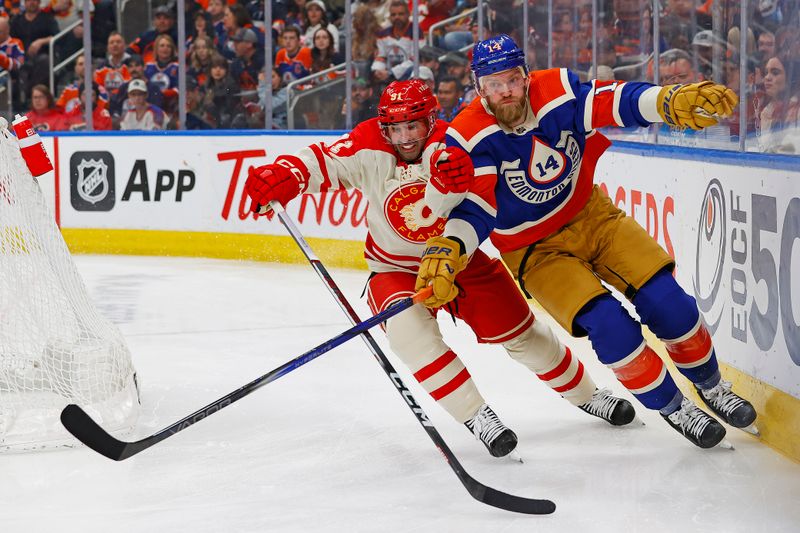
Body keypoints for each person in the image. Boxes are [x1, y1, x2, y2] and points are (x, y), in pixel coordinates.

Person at [243, 79, 637, 459]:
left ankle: (588, 395)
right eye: (395, 129)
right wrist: (285, 174)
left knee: (523, 334)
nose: (405, 138)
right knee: (408, 334)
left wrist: (454, 203)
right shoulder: (367, 143)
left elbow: (477, 198)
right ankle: (477, 416)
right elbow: (320, 161)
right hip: (393, 267)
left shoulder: (456, 142)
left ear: (430, 119)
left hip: (458, 261)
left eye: (412, 125)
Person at [414, 34, 758, 450]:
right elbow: (477, 210)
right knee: (610, 328)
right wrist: (453, 248)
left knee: (670, 302)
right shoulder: (469, 135)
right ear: (478, 87)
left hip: (591, 215)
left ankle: (711, 386)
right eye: (493, 83)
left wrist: (665, 101)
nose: (504, 91)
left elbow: (615, 101)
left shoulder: (556, 90)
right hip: (534, 250)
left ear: (525, 75)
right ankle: (673, 407)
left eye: (511, 79)